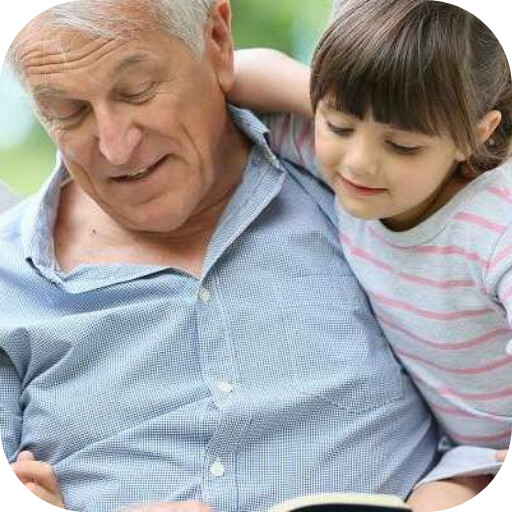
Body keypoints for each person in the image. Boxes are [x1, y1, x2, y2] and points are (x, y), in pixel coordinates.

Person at [0, 0, 490, 510]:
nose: (117, 147)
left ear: (216, 41)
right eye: (68, 110)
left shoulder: (361, 191)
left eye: (138, 90)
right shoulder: (9, 278)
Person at [231, 0, 512, 510]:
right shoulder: (329, 152)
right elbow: (226, 74)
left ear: (476, 134)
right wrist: (346, 92)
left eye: (401, 145)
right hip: (465, 454)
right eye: (339, 126)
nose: (359, 163)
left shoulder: (497, 228)